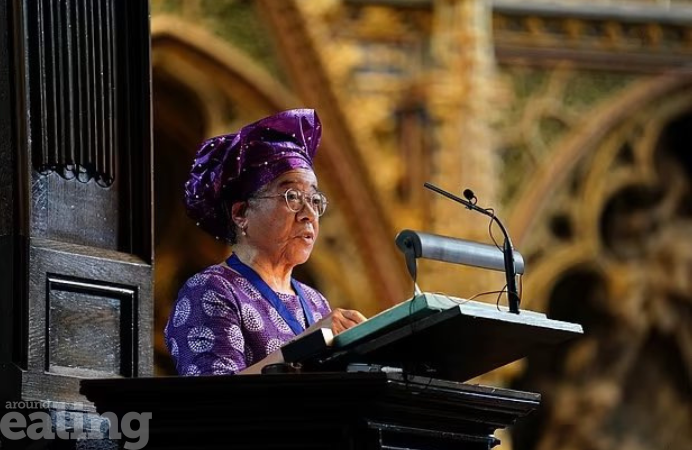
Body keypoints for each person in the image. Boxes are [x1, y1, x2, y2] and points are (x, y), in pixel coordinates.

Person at [164, 109, 367, 376]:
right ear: (241, 214)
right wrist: (307, 345)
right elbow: (212, 400)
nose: (308, 214)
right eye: (292, 196)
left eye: (315, 200)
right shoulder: (211, 290)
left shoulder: (315, 301)